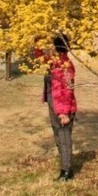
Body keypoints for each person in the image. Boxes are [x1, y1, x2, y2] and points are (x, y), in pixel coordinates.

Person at [39, 33, 78, 180]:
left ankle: (66, 172)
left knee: (64, 138)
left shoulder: (65, 65)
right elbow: (38, 56)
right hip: (54, 105)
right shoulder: (54, 61)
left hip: (63, 108)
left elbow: (67, 90)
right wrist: (38, 36)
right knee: (58, 137)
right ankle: (64, 168)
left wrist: (64, 113)